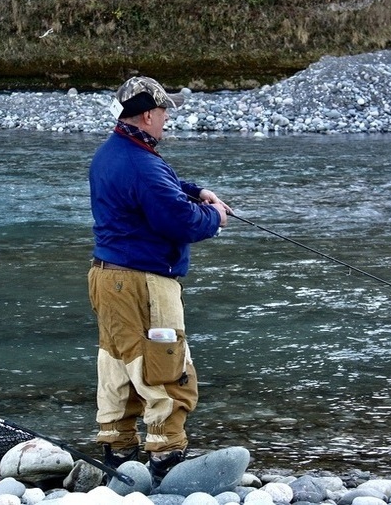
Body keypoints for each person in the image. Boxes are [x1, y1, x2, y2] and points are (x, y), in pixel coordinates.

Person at [87, 76, 230, 484]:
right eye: (165, 111)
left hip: (105, 277)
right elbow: (178, 221)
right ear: (149, 114)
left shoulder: (112, 152)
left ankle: (118, 449)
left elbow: (162, 188)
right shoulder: (142, 163)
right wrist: (214, 217)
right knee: (165, 365)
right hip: (144, 283)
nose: (168, 118)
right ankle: (167, 455)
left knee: (118, 362)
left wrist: (197, 190)